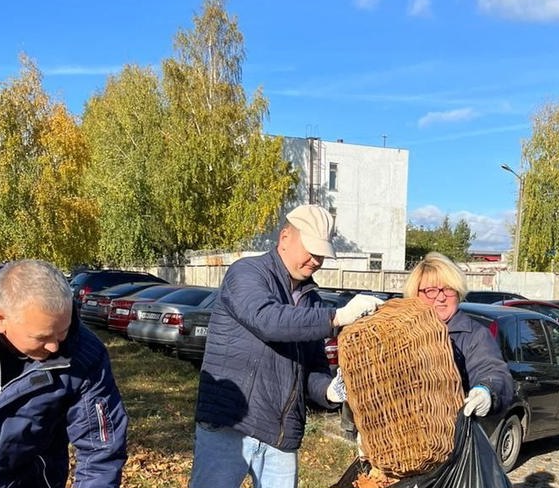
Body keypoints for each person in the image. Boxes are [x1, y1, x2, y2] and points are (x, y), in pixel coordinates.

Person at [189, 204, 384, 488]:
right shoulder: (247, 273)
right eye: (311, 251)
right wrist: (338, 316)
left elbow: (312, 367)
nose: (316, 260)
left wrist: (329, 391)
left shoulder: (312, 300)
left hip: (281, 433)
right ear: (285, 238)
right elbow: (267, 320)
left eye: (322, 255)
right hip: (230, 424)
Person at [0, 259, 129, 487]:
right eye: (42, 338)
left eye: (62, 331)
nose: (55, 347)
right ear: (0, 320)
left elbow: (101, 452)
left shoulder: (84, 356)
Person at [403, 251, 514, 418]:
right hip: (399, 434)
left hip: (449, 435)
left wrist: (486, 391)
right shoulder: (401, 331)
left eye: (448, 289)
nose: (440, 297)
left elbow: (493, 370)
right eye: (431, 290)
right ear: (416, 294)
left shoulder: (474, 335)